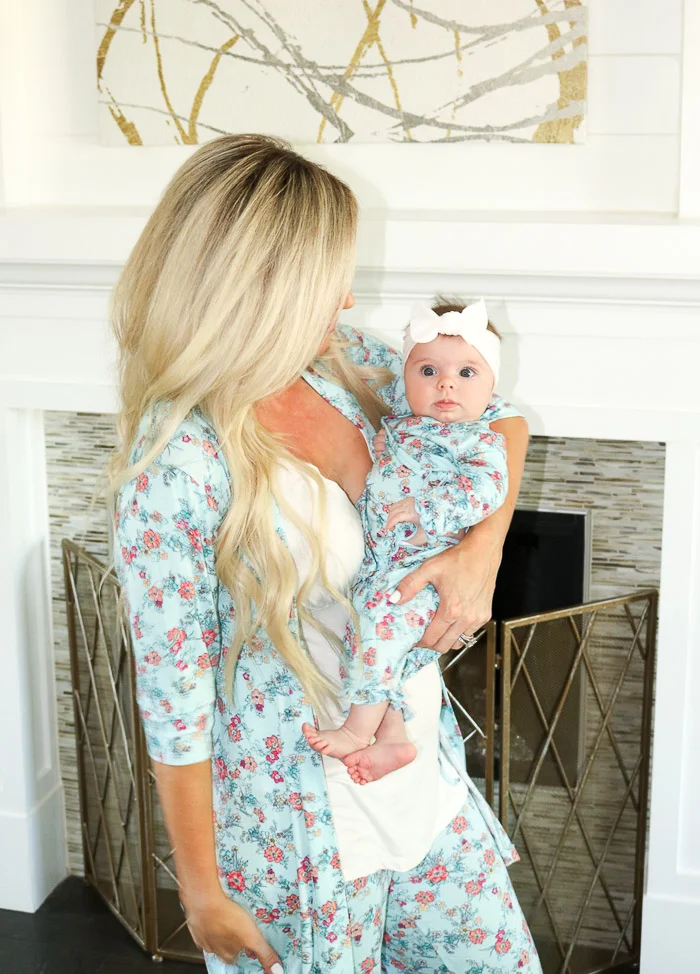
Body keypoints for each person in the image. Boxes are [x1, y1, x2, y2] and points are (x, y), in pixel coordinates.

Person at [112, 134, 541, 974]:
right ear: (260, 290)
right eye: (328, 280)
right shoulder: (178, 462)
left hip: (416, 766)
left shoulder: (345, 366)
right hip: (295, 824)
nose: (346, 299)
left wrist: (484, 551)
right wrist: (200, 892)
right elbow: (173, 697)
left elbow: (505, 419)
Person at [303, 299, 509, 785]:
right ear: (406, 377)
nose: (446, 384)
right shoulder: (401, 425)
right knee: (369, 644)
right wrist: (386, 449)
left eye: (466, 373)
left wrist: (428, 509)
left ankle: (356, 731)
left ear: (491, 388)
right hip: (384, 567)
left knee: (377, 630)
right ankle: (392, 735)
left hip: (425, 571)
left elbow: (486, 490)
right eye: (429, 370)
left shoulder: (478, 441)